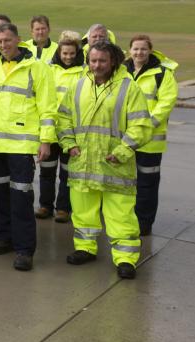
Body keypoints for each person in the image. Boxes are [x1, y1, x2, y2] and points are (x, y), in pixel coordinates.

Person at [57, 42, 152, 279]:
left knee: (120, 214)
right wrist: (69, 145)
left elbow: (141, 125)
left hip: (115, 165)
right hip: (83, 163)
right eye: (93, 60)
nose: (97, 65)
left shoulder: (129, 89)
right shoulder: (78, 87)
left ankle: (126, 258)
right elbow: (64, 118)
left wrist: (122, 151)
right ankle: (85, 248)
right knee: (83, 211)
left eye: (102, 61)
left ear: (113, 62)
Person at [0, 23, 56, 271]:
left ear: (18, 40)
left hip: (22, 145)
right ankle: (6, 238)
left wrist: (45, 139)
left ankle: (25, 249)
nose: (3, 45)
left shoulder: (37, 68)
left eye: (7, 41)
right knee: (1, 195)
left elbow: (47, 107)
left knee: (21, 197)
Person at [125, 34, 179, 236]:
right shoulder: (122, 70)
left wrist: (147, 126)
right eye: (136, 49)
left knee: (147, 184)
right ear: (129, 50)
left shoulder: (163, 74)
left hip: (150, 141)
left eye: (143, 49)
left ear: (150, 50)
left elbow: (166, 102)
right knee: (125, 183)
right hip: (125, 139)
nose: (139, 52)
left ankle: (144, 222)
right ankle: (126, 218)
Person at [37, 31, 85, 223]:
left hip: (71, 132)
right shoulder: (48, 69)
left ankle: (63, 208)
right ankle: (45, 206)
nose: (68, 57)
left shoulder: (84, 72)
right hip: (50, 130)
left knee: (67, 172)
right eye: (65, 53)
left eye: (72, 53)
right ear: (59, 52)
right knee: (47, 171)